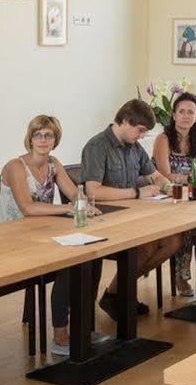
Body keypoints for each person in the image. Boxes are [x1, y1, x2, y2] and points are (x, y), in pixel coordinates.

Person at [79, 99, 187, 316]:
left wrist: (168, 186)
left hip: (132, 216)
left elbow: (154, 175)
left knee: (174, 240)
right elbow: (92, 191)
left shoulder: (135, 148)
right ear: (126, 121)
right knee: (146, 245)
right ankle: (119, 295)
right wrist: (137, 193)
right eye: (140, 130)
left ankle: (116, 292)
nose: (142, 136)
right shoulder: (97, 147)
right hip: (104, 220)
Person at [0, 114, 82, 358]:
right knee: (69, 263)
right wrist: (69, 207)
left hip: (40, 236)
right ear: (30, 138)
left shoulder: (54, 163)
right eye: (38, 134)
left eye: (49, 135)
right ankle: (60, 334)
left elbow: (74, 193)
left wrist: (82, 201)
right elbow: (28, 208)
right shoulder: (15, 166)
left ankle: (84, 326)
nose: (43, 139)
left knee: (91, 256)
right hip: (10, 242)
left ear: (56, 139)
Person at [151, 92, 196, 295]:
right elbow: (164, 174)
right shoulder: (163, 139)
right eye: (181, 111)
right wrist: (193, 178)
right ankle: (181, 277)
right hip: (166, 199)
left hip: (189, 198)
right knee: (189, 228)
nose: (186, 116)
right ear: (173, 115)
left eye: (191, 112)